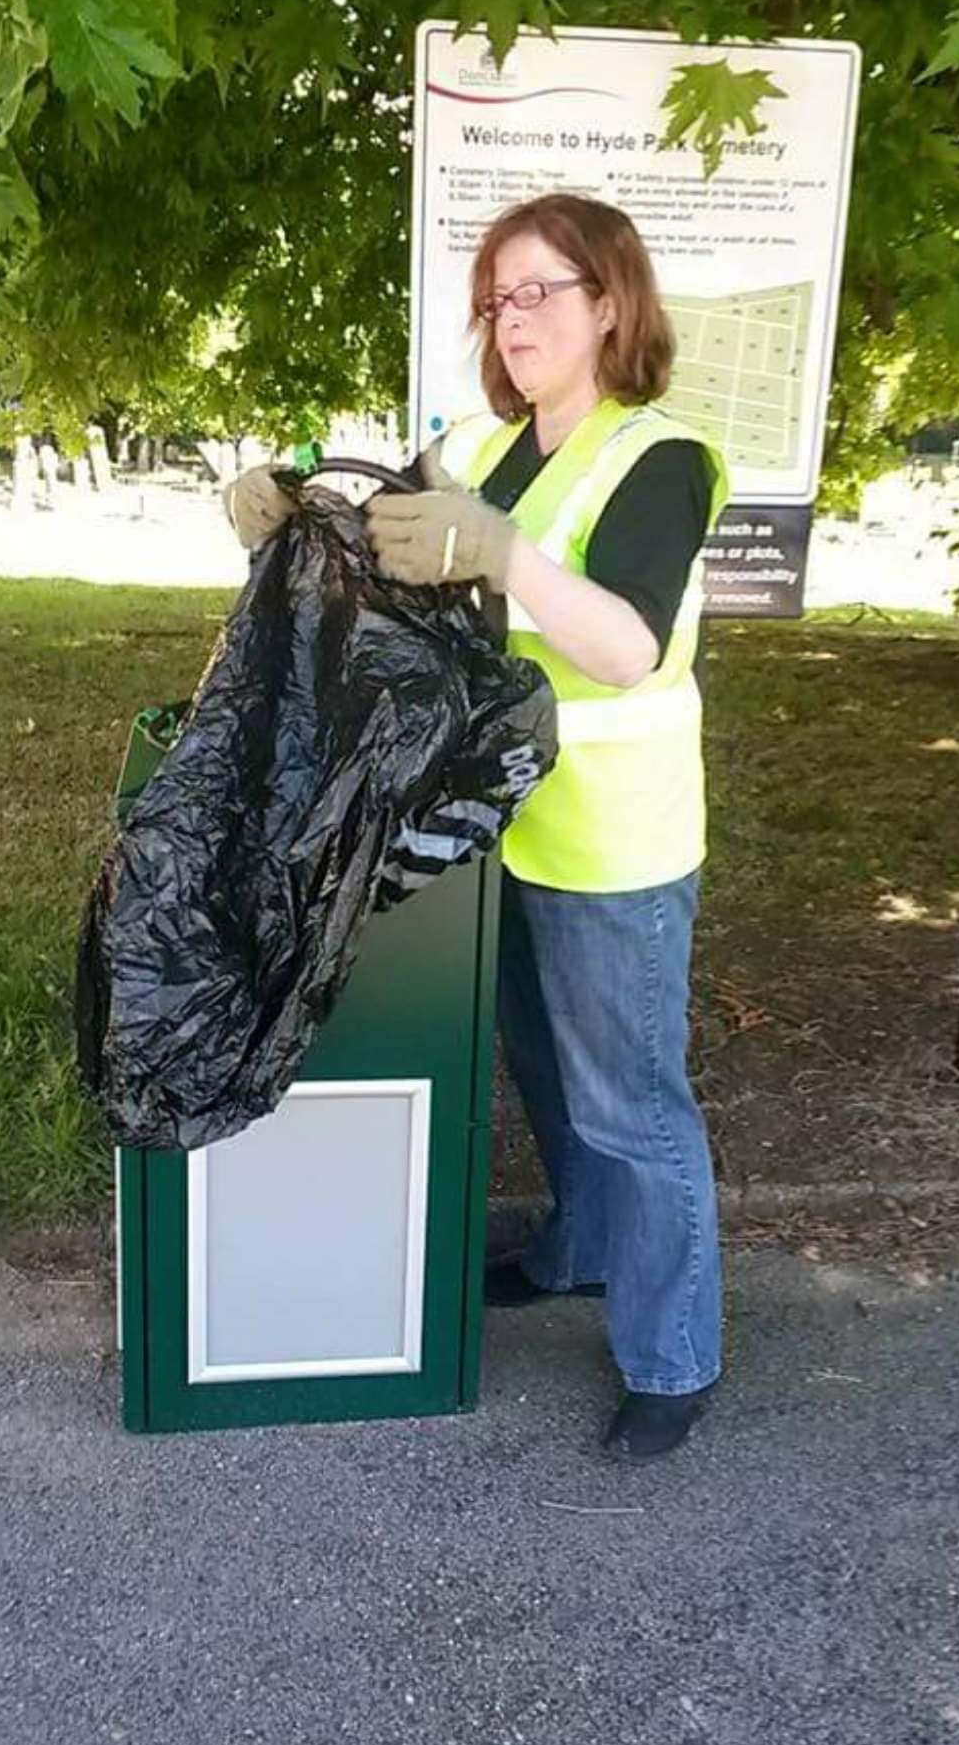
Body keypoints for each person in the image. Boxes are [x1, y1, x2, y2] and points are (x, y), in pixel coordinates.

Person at [226, 192, 728, 1460]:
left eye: (541, 290)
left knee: (631, 1106)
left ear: (611, 302)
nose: (514, 319)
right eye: (499, 298)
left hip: (612, 842)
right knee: (549, 1074)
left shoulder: (657, 458)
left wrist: (498, 552)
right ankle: (577, 1247)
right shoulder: (494, 453)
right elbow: (400, 552)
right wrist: (297, 521)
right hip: (493, 824)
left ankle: (675, 1356)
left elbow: (624, 645)